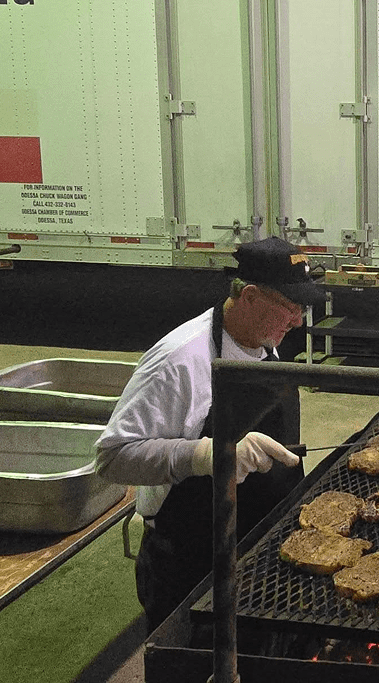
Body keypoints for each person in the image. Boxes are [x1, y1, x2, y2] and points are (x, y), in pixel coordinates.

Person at [96, 236, 323, 633]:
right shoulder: (180, 359)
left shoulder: (263, 342)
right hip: (191, 561)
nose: (299, 320)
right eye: (290, 307)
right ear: (249, 297)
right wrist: (209, 456)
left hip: (260, 551)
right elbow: (112, 457)